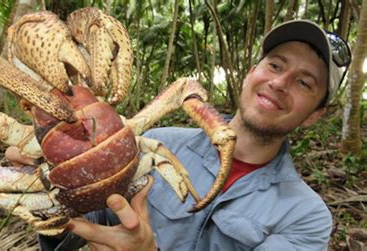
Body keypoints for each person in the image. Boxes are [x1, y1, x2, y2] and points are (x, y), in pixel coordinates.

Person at [35, 20, 351, 250]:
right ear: (250, 74)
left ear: (314, 115)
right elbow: (75, 224)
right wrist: (51, 181)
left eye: (304, 83)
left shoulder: (305, 217)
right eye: (275, 65)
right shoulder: (155, 143)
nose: (280, 83)